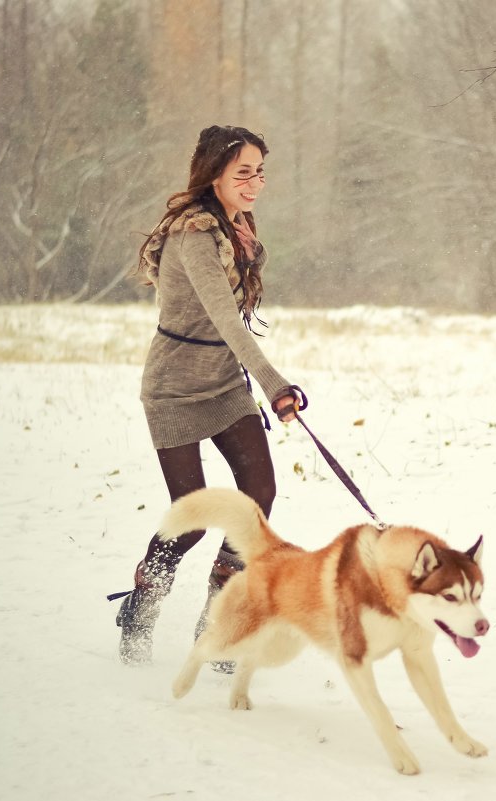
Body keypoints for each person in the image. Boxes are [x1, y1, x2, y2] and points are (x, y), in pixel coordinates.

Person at [115, 125, 300, 666]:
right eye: (243, 171)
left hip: (222, 382)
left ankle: (217, 624)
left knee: (258, 495)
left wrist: (257, 386)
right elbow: (225, 318)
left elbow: (233, 326)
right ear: (213, 173)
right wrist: (275, 385)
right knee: (191, 518)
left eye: (260, 171)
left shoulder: (236, 226)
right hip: (175, 385)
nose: (255, 182)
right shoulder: (194, 234)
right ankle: (140, 610)